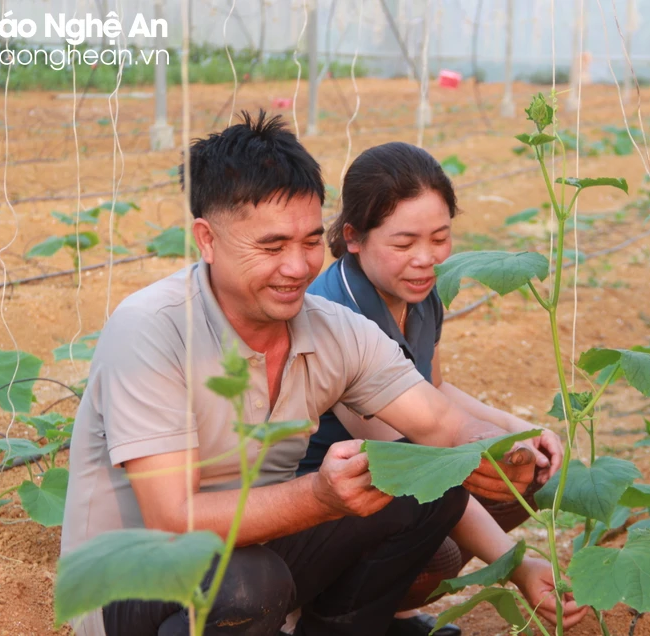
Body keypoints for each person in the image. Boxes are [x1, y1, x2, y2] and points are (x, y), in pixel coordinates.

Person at [60, 111, 543, 636]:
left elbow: (441, 423)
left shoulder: (330, 328)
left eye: (311, 241)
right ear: (207, 239)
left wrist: (501, 450)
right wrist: (318, 497)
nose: (297, 267)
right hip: (130, 587)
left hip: (259, 559)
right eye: (271, 247)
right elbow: (175, 520)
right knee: (247, 581)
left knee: (431, 488)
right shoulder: (153, 329)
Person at [299, 141, 586, 635]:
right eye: (404, 243)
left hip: (393, 488)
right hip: (326, 511)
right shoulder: (337, 316)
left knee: (529, 468)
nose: (426, 259)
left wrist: (523, 428)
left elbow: (434, 388)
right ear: (354, 237)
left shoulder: (422, 294)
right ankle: (334, 618)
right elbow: (416, 463)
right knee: (439, 529)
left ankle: (392, 612)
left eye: (439, 238)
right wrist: (518, 566)